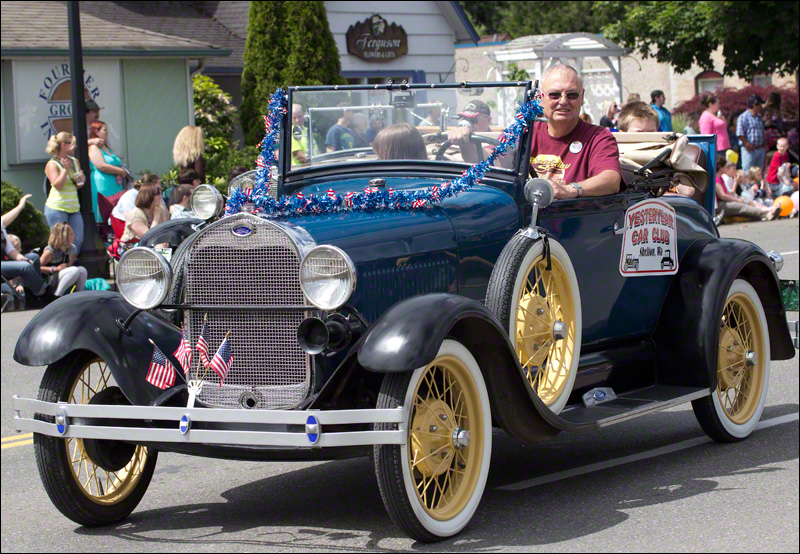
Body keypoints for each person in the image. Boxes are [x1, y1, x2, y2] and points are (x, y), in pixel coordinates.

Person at [526, 65, 621, 198]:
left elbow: (611, 180)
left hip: (572, 216)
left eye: (572, 95)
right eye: (555, 95)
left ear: (582, 98)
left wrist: (569, 190)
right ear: (540, 98)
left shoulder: (598, 138)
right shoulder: (525, 132)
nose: (563, 101)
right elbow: (493, 153)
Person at [43, 132, 85, 254]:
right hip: (57, 208)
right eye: (72, 144)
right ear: (63, 145)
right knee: (60, 242)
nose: (75, 147)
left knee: (77, 240)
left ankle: (70, 266)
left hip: (74, 207)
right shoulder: (52, 164)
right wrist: (65, 170)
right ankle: (56, 268)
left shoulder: (75, 161)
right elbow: (58, 185)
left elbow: (77, 185)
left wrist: (81, 180)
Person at [2, 195, 47, 297]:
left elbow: (10, 250)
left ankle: (33, 294)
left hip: (5, 261)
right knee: (25, 267)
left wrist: (22, 258)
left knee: (33, 258)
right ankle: (44, 294)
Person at [715, 156, 779, 221]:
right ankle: (769, 210)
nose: (726, 168)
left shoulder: (721, 178)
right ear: (720, 167)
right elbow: (722, 196)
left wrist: (738, 198)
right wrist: (736, 200)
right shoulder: (716, 179)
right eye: (725, 166)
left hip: (726, 202)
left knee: (745, 206)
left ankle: (767, 215)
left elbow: (729, 193)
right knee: (741, 206)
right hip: (720, 204)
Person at [88, 120, 127, 222]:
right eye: (104, 130)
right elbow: (102, 166)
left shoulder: (107, 147)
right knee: (104, 207)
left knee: (116, 207)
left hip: (115, 183)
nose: (107, 132)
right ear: (96, 132)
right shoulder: (93, 148)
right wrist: (121, 171)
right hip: (103, 183)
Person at [39, 222, 87, 297]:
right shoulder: (50, 251)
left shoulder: (71, 248)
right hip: (50, 278)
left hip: (62, 275)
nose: (74, 236)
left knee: (82, 270)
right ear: (63, 237)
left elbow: (68, 265)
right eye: (71, 234)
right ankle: (57, 296)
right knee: (74, 270)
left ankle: (78, 295)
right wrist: (54, 269)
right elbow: (37, 267)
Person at [445, 99, 496, 164]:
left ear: (488, 120)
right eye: (464, 119)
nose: (467, 125)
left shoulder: (498, 141)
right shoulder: (454, 138)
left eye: (473, 119)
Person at [737, 95, 766, 174]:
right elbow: (739, 133)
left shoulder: (759, 117)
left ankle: (758, 186)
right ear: (754, 105)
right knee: (748, 172)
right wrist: (747, 144)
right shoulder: (743, 117)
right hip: (749, 150)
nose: (761, 107)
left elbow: (762, 132)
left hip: (760, 148)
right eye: (760, 105)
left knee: (758, 173)